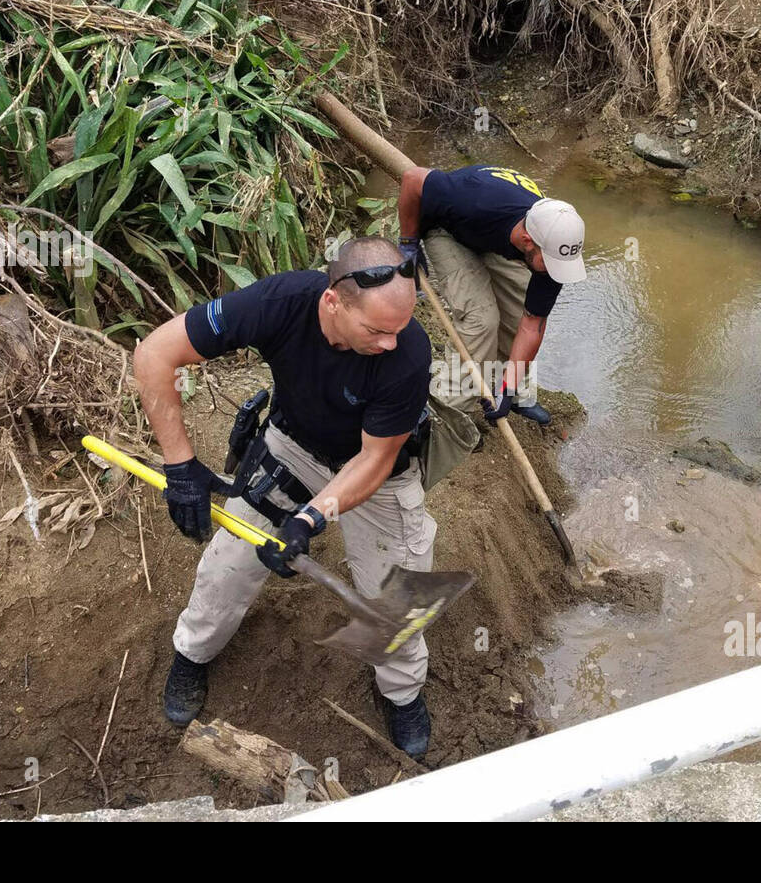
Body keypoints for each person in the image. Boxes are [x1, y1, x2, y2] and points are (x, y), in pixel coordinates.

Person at [133, 237, 438, 758]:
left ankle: (401, 691)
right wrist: (181, 465)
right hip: (292, 444)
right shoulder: (280, 303)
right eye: (377, 330)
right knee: (229, 562)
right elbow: (154, 354)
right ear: (332, 302)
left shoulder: (407, 354)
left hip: (377, 471)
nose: (391, 342)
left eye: (400, 328)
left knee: (397, 592)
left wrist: (309, 520)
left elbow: (375, 461)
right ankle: (193, 654)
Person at [396, 164, 587, 424]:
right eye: (550, 262)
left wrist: (509, 385)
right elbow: (412, 178)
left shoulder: (554, 247)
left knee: (519, 313)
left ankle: (507, 390)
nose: (556, 272)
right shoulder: (472, 200)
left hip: (496, 239)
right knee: (481, 319)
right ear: (528, 240)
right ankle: (452, 414)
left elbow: (532, 325)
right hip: (448, 230)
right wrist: (408, 244)